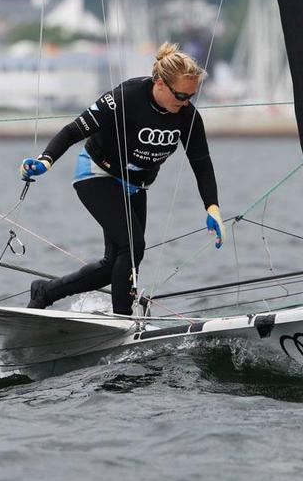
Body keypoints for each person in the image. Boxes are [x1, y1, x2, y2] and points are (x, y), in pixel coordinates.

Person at [20, 43, 224, 315]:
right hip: (97, 174)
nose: (185, 102)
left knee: (116, 263)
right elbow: (73, 130)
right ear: (160, 83)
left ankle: (46, 291)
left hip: (137, 186)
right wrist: (46, 161)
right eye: (180, 95)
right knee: (133, 246)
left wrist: (212, 207)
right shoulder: (126, 97)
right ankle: (123, 319)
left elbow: (201, 162)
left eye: (191, 96)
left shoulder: (187, 116)